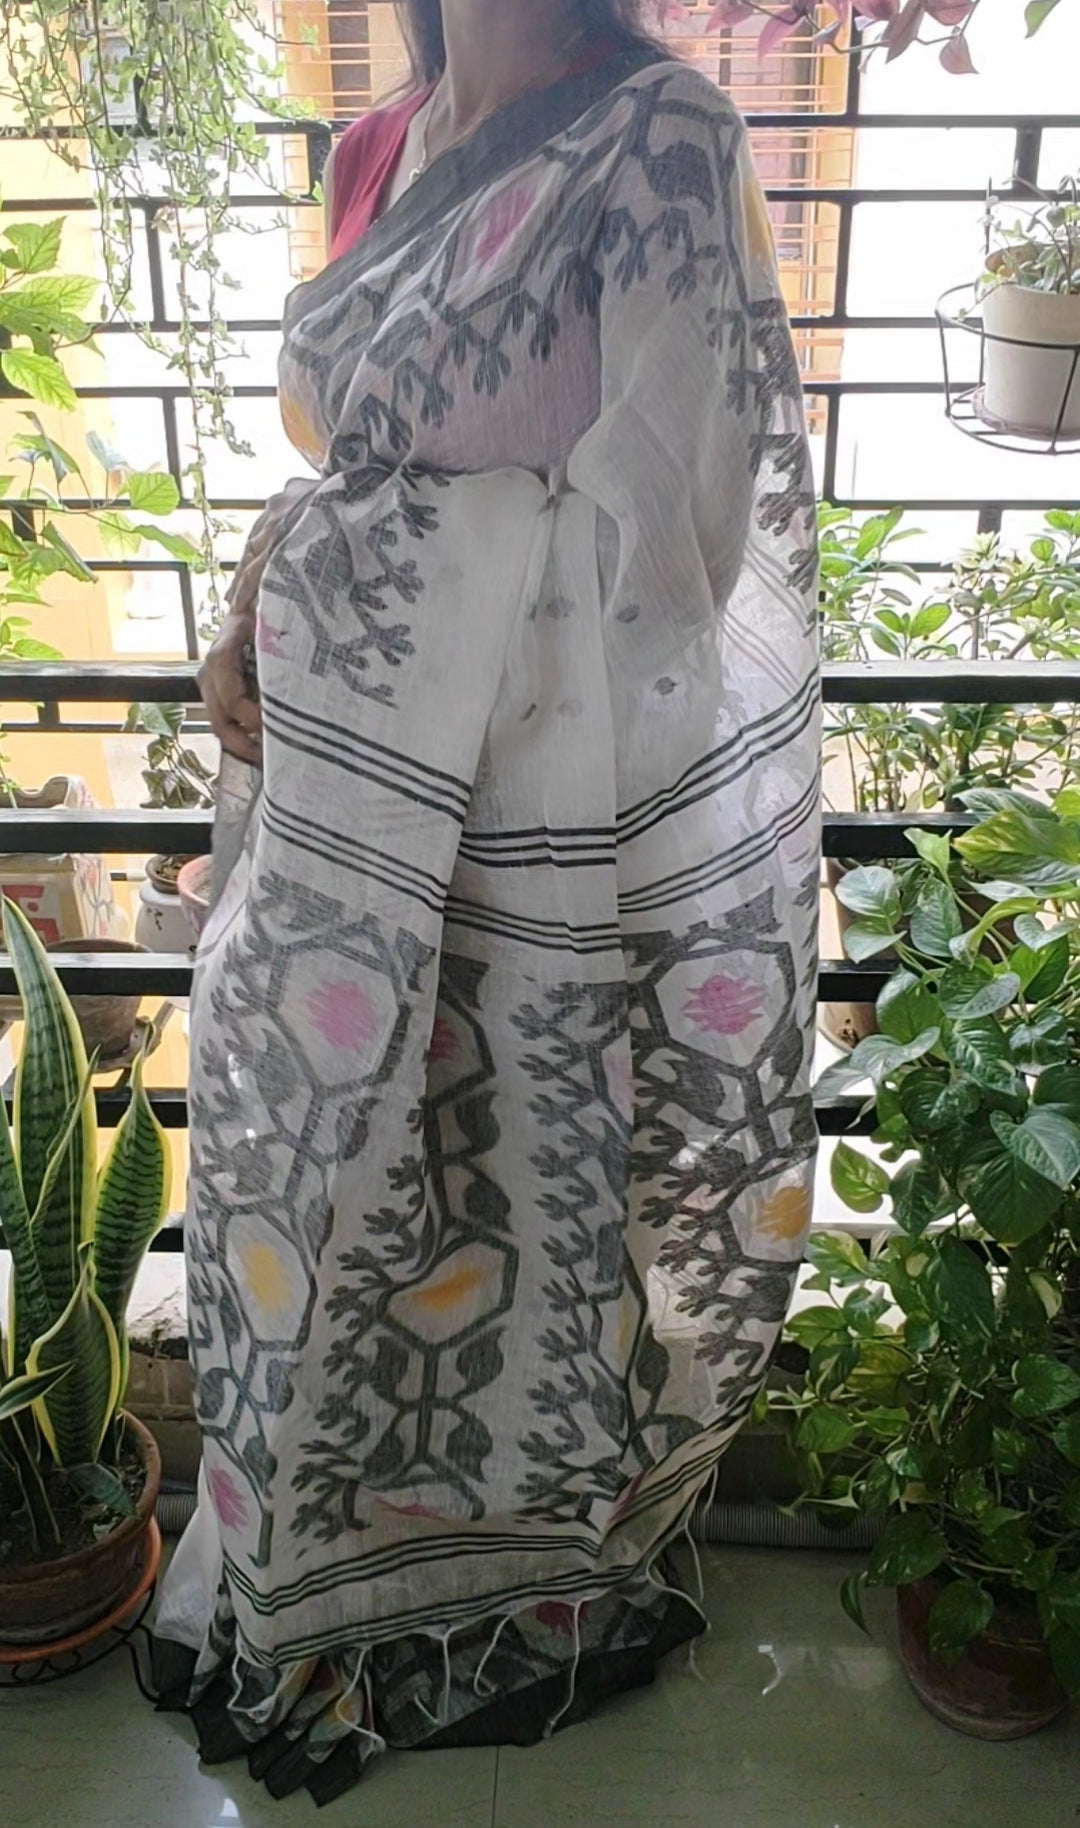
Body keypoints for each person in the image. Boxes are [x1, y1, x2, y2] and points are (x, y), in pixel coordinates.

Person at [154, 0, 821, 1803]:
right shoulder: (379, 141)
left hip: (541, 850)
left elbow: (680, 540)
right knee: (315, 1206)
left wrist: (371, 583)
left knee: (526, 1216)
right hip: (336, 838)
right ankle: (323, 1593)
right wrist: (254, 609)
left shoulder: (661, 141)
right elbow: (341, 473)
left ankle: (512, 1605)